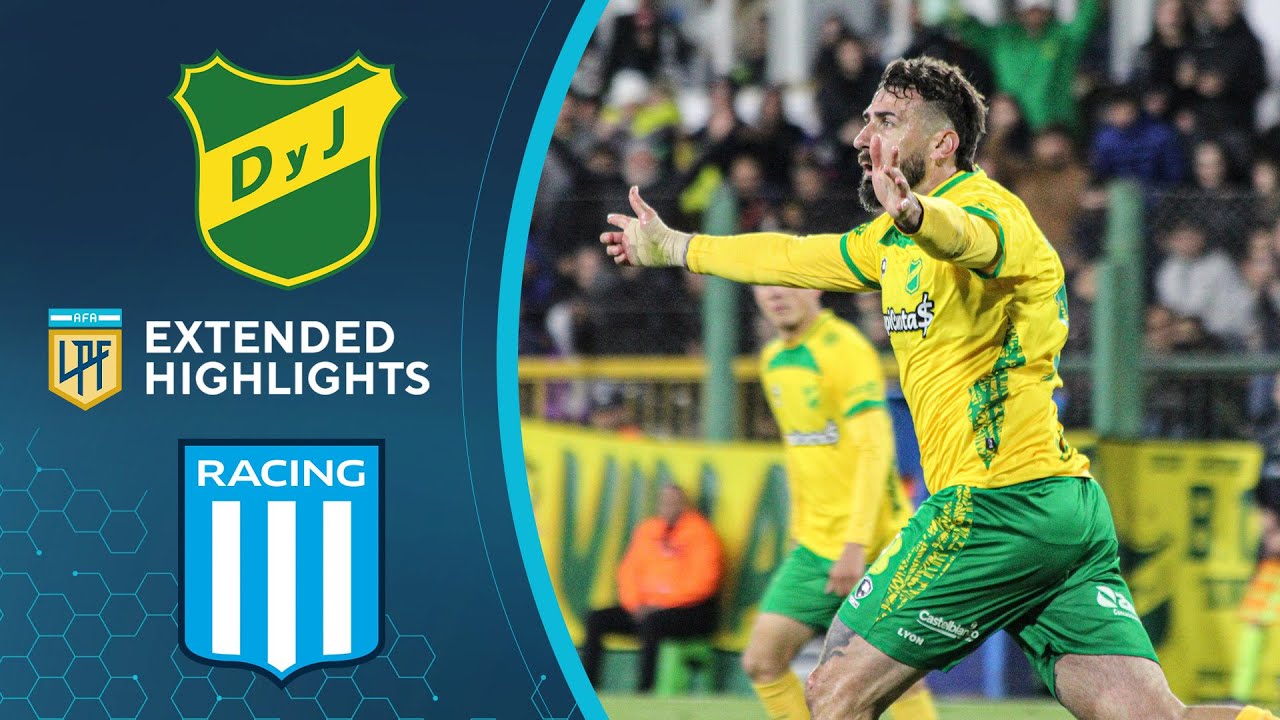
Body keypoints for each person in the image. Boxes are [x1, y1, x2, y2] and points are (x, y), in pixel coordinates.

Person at [601, 56, 1280, 720]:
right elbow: (792, 253)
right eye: (866, 120)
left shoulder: (991, 211)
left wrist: (921, 217)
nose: (865, 137)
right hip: (1059, 509)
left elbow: (972, 240)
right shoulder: (887, 244)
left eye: (887, 121)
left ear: (942, 141)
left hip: (992, 505)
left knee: (833, 694)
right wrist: (679, 246)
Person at [743, 284, 937, 720]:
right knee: (762, 660)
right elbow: (803, 457)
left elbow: (875, 452)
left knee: (896, 680)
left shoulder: (845, 349)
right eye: (764, 282)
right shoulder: (773, 360)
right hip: (814, 546)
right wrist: (801, 531)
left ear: (814, 287)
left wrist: (855, 544)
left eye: (787, 281)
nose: (775, 293)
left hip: (878, 545)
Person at [579, 484, 724, 693]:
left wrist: (660, 604)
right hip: (645, 609)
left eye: (674, 502)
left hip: (688, 612)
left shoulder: (702, 535)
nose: (668, 506)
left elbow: (703, 583)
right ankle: (587, 686)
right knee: (596, 618)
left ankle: (644, 690)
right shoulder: (647, 531)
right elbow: (628, 571)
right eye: (664, 501)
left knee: (653, 623)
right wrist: (635, 603)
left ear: (685, 505)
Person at [1233, 378, 1280, 703]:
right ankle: (1240, 696)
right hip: (1272, 550)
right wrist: (1270, 527)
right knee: (1254, 622)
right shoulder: (1270, 439)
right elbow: (1260, 490)